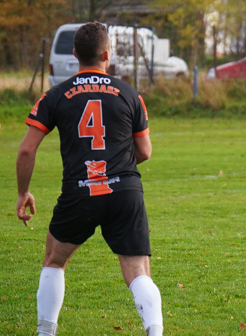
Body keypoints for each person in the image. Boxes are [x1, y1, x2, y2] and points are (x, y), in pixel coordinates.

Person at [16, 22, 163, 336]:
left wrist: (23, 192)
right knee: (138, 270)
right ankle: (155, 331)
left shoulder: (55, 95)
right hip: (125, 192)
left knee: (54, 260)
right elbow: (145, 151)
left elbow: (27, 150)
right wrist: (117, 166)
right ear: (107, 54)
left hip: (80, 192)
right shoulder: (128, 93)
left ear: (74, 55)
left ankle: (45, 332)